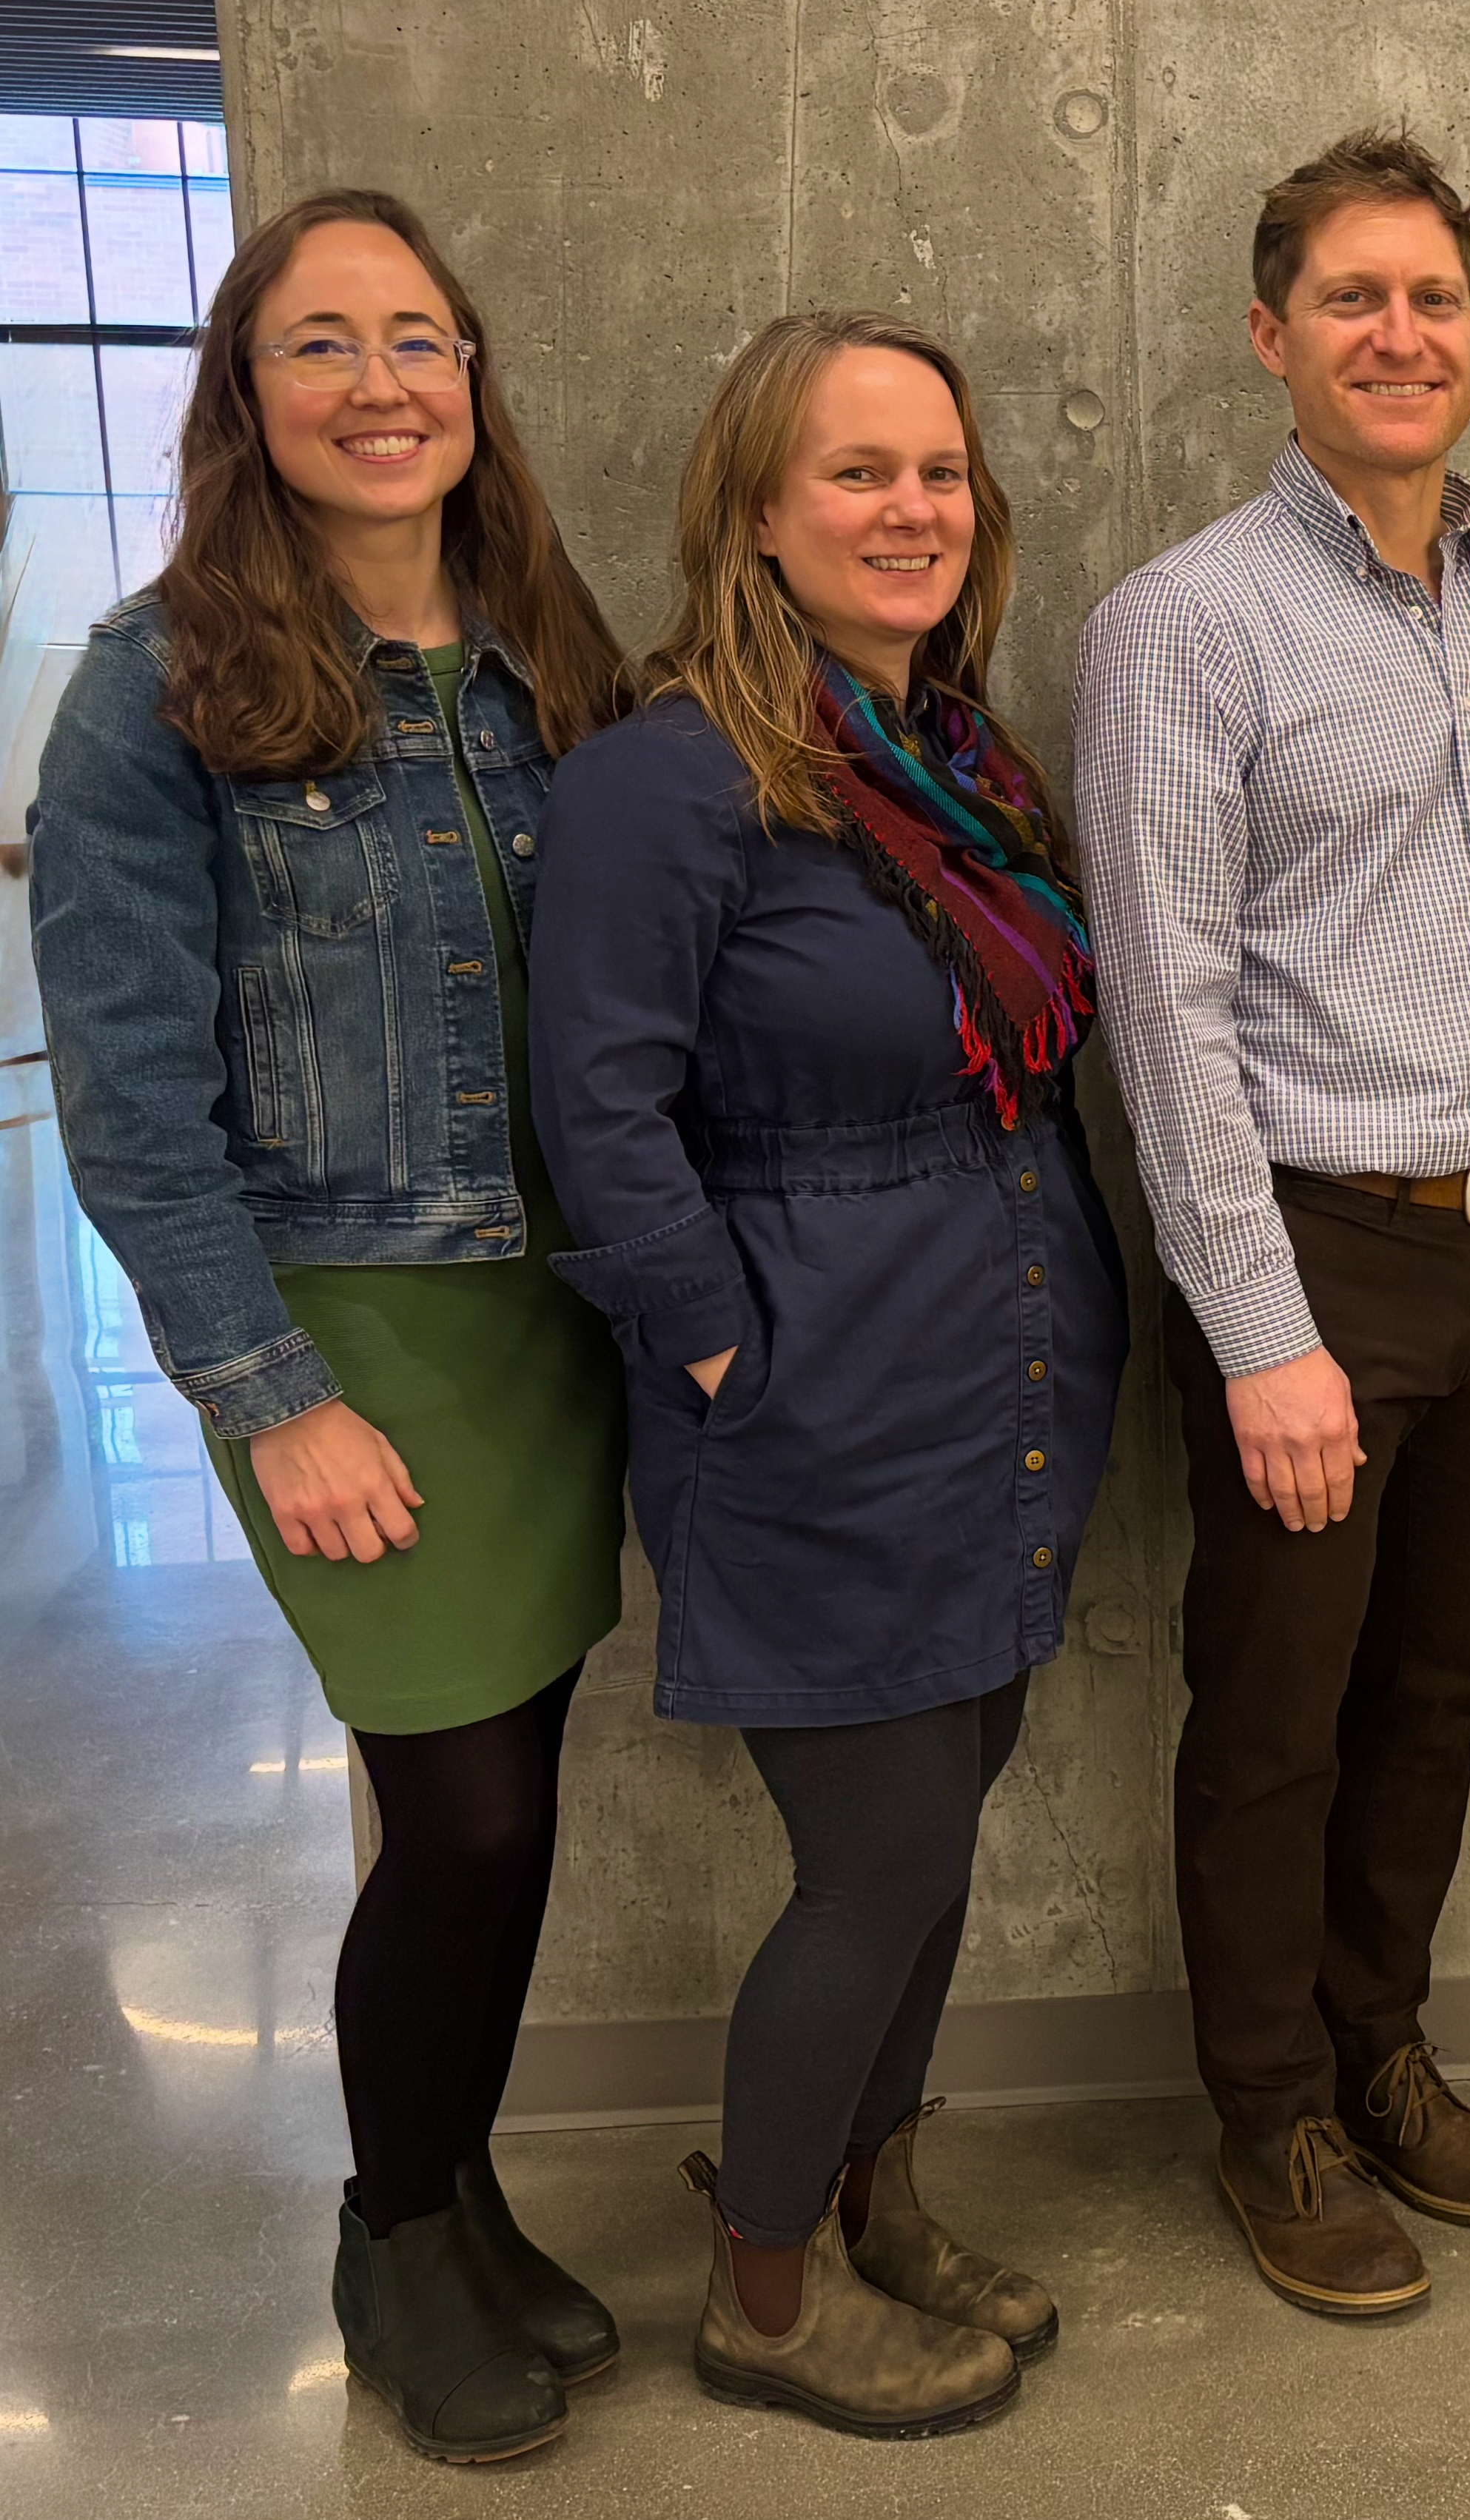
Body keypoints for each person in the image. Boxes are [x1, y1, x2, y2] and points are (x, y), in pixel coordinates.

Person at [30, 190, 630, 2465]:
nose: (382, 383)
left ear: (473, 380)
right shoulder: (152, 688)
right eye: (320, 344)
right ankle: (388, 2237)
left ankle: (465, 2198)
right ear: (246, 398)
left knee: (518, 1796)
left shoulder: (546, 667)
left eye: (420, 338)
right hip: (350, 1328)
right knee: (460, 1820)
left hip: (546, 1320)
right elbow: (131, 1104)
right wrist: (272, 1397)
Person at [530, 310, 1127, 2436]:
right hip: (814, 1409)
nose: (912, 509)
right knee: (875, 1861)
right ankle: (764, 2285)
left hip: (999, 1391)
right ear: (757, 512)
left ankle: (871, 2198)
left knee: (941, 1845)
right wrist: (720, 1345)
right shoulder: (671, 773)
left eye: (940, 471)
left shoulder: (955, 760)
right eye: (858, 471)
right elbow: (597, 1110)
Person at [1073, 124, 1470, 2319]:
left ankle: (1383, 2047)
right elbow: (1168, 1003)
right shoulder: (1181, 627)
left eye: (1434, 299)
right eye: (1352, 299)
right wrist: (1259, 1324)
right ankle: (1269, 2107)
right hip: (1320, 1247)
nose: (1399, 333)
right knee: (1278, 1714)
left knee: (1444, 1695)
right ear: (1271, 334)